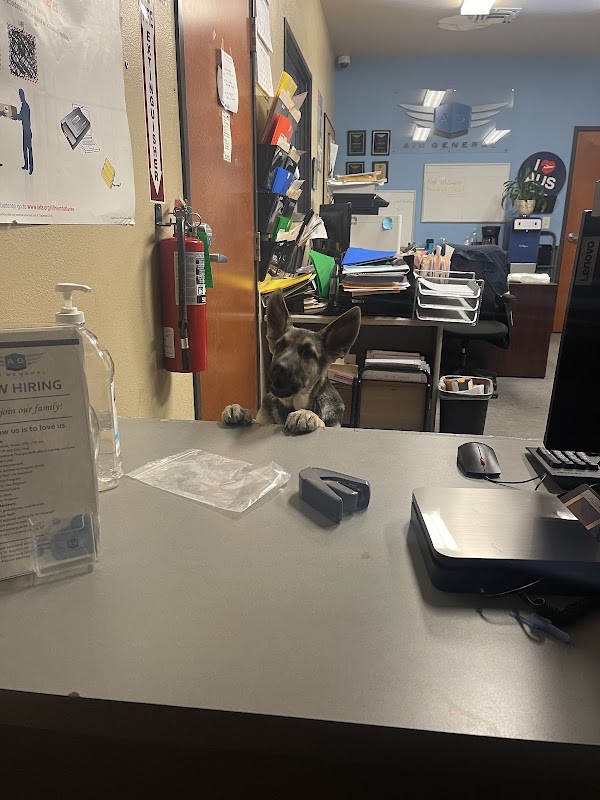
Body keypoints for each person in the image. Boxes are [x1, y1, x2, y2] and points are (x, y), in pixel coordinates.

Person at [15, 89, 33, 175]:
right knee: (25, 149)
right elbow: (21, 116)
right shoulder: (24, 105)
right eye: (19, 96)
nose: (20, 97)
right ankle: (26, 165)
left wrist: (15, 116)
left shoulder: (25, 106)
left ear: (23, 96)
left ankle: (31, 168)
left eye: (21, 95)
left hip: (27, 131)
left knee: (29, 149)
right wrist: (15, 116)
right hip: (25, 130)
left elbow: (21, 116)